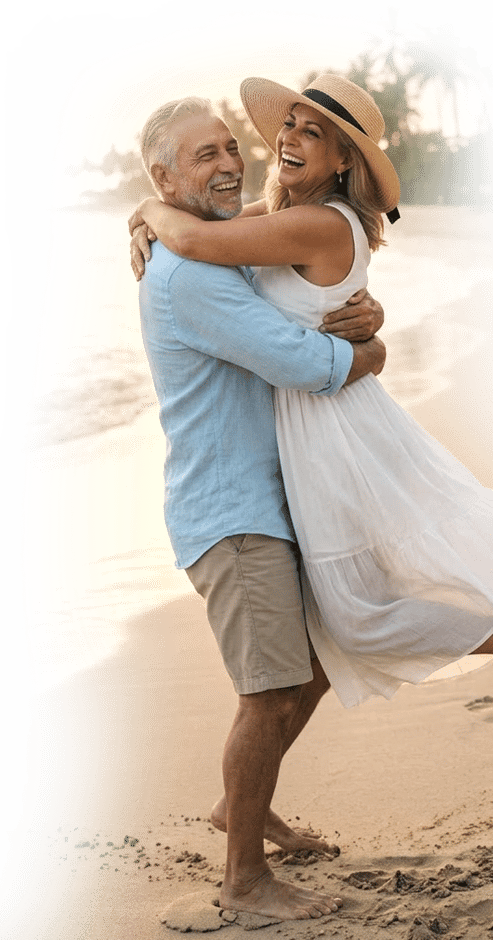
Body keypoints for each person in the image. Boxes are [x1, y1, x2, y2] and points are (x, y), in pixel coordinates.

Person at [130, 72, 493, 714]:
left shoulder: (319, 222)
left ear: (344, 159)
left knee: (371, 610)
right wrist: (156, 210)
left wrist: (149, 209)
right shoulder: (282, 216)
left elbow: (195, 240)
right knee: (364, 609)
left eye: (314, 133)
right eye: (290, 125)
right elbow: (215, 237)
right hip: (317, 425)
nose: (290, 138)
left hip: (334, 427)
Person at [132, 93, 388, 921]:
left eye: (228, 147)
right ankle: (244, 881)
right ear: (163, 178)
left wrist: (364, 311)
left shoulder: (220, 251)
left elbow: (297, 294)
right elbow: (305, 362)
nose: (228, 164)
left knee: (310, 667)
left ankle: (238, 807)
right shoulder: (189, 277)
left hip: (275, 501)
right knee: (271, 692)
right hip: (234, 513)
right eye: (202, 156)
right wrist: (373, 348)